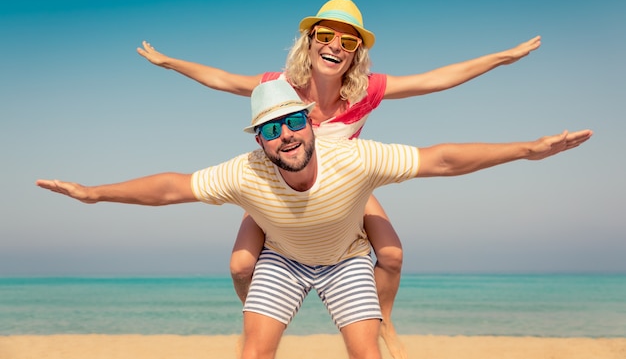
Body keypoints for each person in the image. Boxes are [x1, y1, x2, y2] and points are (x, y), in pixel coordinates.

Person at [37, 79, 592, 359]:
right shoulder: (246, 171)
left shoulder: (353, 157)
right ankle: (263, 307)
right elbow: (170, 189)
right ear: (260, 140)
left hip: (346, 260)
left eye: (294, 122)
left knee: (365, 352)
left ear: (309, 120)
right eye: (272, 129)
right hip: (283, 260)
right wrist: (93, 193)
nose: (287, 135)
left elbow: (440, 159)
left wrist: (525, 150)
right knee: (254, 350)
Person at [137, 0, 542, 358]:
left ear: (356, 54)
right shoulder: (279, 89)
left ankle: (383, 320)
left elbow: (436, 79)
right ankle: (252, 319)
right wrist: (169, 62)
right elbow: (221, 79)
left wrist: (501, 59)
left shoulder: (366, 90)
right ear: (309, 40)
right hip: (282, 185)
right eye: (326, 35)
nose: (335, 46)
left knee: (393, 255)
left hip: (345, 185)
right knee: (241, 265)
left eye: (349, 42)